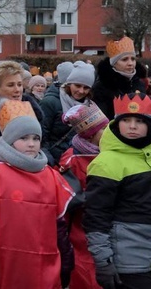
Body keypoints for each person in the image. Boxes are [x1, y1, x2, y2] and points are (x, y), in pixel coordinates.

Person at [0, 100, 74, 289]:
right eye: (24, 138)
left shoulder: (51, 176)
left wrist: (67, 263)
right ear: (10, 140)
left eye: (36, 139)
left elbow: (60, 226)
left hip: (44, 266)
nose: (31, 144)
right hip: (2, 263)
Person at [84, 93, 151, 288]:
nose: (132, 126)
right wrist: (103, 260)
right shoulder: (106, 162)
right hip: (129, 259)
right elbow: (96, 216)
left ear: (150, 125)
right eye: (126, 120)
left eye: (139, 121)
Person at [58, 104, 109, 289]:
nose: (108, 131)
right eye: (103, 129)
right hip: (80, 228)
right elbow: (68, 199)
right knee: (84, 273)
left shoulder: (110, 153)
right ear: (90, 134)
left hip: (107, 226)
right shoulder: (72, 159)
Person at [0, 60, 44, 161]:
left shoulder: (33, 110)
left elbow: (44, 143)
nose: (17, 90)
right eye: (11, 85)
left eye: (19, 84)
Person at [41, 61, 97, 163]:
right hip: (55, 161)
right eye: (77, 85)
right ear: (69, 84)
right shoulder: (50, 102)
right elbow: (42, 137)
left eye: (86, 88)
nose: (81, 91)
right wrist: (50, 162)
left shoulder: (90, 105)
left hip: (77, 161)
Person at [92, 36, 148, 119]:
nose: (130, 63)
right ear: (114, 63)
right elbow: (101, 119)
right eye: (124, 59)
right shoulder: (102, 87)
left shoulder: (139, 83)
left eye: (133, 59)